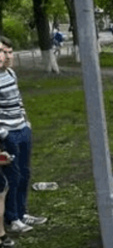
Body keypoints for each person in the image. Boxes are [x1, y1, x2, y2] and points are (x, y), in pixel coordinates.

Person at [0, 36, 47, 233]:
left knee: (25, 173)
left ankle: (22, 212)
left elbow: (18, 99)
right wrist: (3, 134)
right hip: (7, 133)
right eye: (4, 52)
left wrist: (26, 122)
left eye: (10, 52)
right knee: (13, 176)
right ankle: (12, 219)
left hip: (22, 130)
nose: (8, 56)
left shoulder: (11, 73)